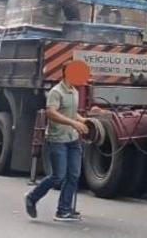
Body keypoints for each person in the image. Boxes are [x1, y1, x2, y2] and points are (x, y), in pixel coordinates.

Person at [25, 61, 90, 222]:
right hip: (57, 139)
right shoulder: (56, 92)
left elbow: (71, 113)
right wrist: (74, 123)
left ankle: (64, 210)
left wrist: (83, 120)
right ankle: (32, 197)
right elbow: (51, 113)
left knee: (74, 175)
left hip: (73, 139)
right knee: (58, 176)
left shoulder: (74, 91)